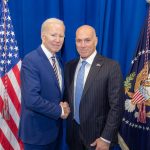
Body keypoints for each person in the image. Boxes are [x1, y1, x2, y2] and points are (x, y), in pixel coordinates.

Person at [64, 25, 124, 150]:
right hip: (73, 136)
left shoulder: (111, 67)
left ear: (95, 41)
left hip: (98, 139)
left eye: (87, 40)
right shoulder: (69, 66)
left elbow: (117, 106)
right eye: (79, 41)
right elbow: (68, 97)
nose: (83, 45)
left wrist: (106, 138)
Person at [18, 18, 70, 150]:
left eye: (61, 36)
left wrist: (63, 104)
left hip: (53, 132)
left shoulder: (58, 59)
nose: (58, 40)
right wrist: (60, 110)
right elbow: (31, 99)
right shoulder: (31, 60)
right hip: (36, 135)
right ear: (43, 36)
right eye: (53, 35)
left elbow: (56, 92)